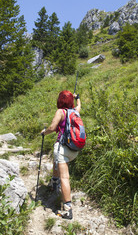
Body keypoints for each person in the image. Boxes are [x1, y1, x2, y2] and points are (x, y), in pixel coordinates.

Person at [41, 90, 81, 219]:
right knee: (56, 160)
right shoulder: (75, 111)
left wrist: (44, 133)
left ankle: (68, 209)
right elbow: (79, 106)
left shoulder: (60, 112)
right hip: (74, 149)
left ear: (60, 100)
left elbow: (52, 128)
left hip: (63, 148)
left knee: (65, 177)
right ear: (71, 101)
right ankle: (54, 182)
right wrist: (78, 98)